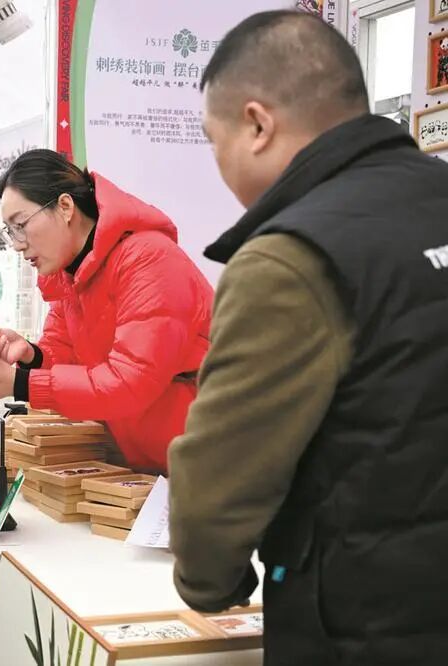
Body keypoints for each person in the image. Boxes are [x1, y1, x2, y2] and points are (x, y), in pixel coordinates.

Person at [167, 12, 448, 664]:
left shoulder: (290, 260)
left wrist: (211, 582)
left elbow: (220, 483)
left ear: (257, 125)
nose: (217, 163)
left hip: (366, 623)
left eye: (213, 141)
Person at [0, 149, 213, 473]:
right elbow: (69, 360)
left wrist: (20, 383)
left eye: (20, 225)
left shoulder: (148, 259)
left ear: (65, 207)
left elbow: (129, 382)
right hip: (147, 463)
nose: (17, 244)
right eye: (9, 232)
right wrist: (32, 356)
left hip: (207, 459)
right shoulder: (69, 275)